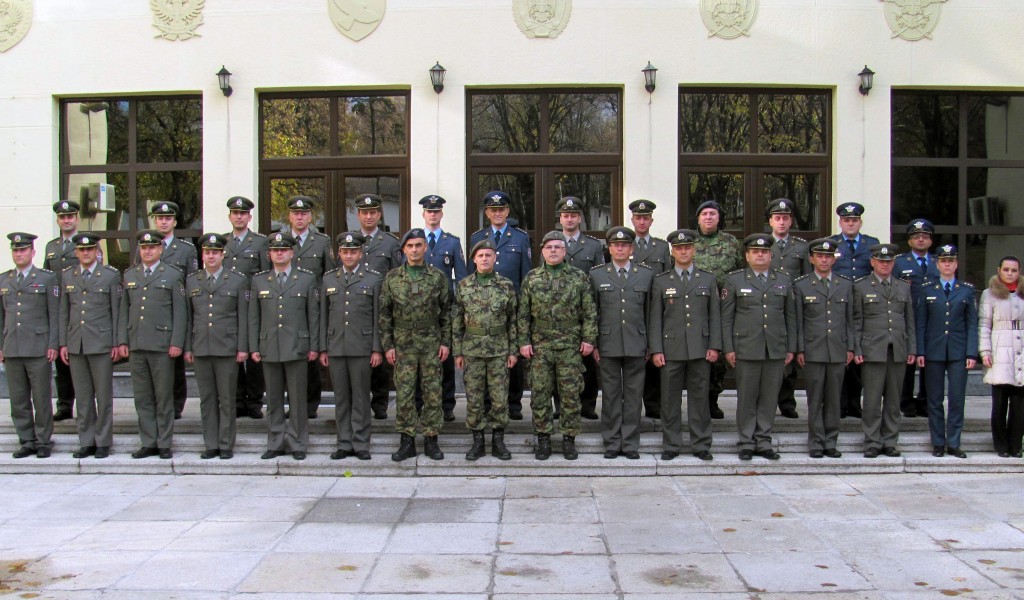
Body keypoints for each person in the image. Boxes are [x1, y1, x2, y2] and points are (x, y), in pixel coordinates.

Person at [518, 231, 598, 460]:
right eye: (549, 247)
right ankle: (543, 438)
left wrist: (589, 339)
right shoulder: (532, 278)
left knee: (571, 393)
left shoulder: (578, 277)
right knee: (540, 393)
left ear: (565, 251)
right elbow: (523, 315)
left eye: (557, 247)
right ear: (542, 251)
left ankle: (569, 438)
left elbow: (590, 312)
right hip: (540, 345)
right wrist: (523, 341)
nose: (553, 251)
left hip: (569, 344)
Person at [721, 233, 796, 461]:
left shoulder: (783, 279)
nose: (760, 255)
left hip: (775, 347)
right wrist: (728, 348)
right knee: (747, 396)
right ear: (747, 256)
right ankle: (746, 440)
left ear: (771, 255)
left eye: (764, 252)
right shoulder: (734, 280)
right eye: (755, 252)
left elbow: (791, 316)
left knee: (769, 396)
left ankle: (763, 440)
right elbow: (726, 318)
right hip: (746, 347)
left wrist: (791, 347)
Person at [648, 229, 721, 461]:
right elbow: (655, 318)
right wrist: (656, 349)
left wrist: (715, 346)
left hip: (700, 348)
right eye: (679, 248)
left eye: (687, 247)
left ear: (694, 250)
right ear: (672, 252)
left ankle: (701, 444)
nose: (683, 251)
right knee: (669, 400)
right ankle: (671, 444)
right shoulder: (661, 281)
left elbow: (715, 316)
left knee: (700, 399)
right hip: (671, 350)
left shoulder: (708, 279)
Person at [380, 229, 452, 462]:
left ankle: (431, 439)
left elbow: (446, 313)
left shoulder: (437, 277)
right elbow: (384, 315)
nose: (414, 250)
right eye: (410, 246)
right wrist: (388, 345)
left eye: (418, 245)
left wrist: (445, 342)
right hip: (403, 344)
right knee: (405, 393)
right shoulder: (392, 278)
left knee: (432, 393)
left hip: (431, 342)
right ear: (403, 250)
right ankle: (407, 440)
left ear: (425, 248)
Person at [249, 232, 320, 461]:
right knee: (274, 399)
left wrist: (314, 346)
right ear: (269, 255)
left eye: (284, 250)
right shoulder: (259, 280)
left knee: (298, 400)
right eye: (275, 250)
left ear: (292, 252)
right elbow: (254, 317)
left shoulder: (306, 279)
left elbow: (314, 315)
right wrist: (254, 346)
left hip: (297, 346)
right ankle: (276, 441)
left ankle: (298, 442)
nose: (279, 253)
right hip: (269, 346)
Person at [59, 233, 126, 459]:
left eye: (89, 249)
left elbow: (116, 311)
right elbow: (63, 312)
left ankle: (103, 441)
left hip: (102, 343)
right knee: (83, 396)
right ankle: (86, 441)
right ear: (76, 252)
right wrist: (63, 343)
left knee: (103, 396)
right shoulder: (68, 275)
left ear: (97, 251)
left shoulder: (109, 275)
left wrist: (117, 341)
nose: (85, 253)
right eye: (81, 250)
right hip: (76, 343)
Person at [122, 230, 187, 459]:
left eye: (152, 247)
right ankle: (148, 441)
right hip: (137, 343)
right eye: (144, 247)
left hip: (162, 345)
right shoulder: (130, 275)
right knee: (143, 397)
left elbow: (180, 312)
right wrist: (123, 340)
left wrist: (177, 342)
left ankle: (164, 442)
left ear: (160, 249)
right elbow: (124, 311)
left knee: (163, 396)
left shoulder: (171, 275)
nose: (148, 251)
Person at [185, 233, 249, 460]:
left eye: (215, 252)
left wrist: (243, 347)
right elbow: (189, 317)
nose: (211, 256)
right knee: (207, 399)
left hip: (227, 347)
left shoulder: (237, 280)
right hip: (201, 346)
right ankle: (210, 443)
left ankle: (225, 443)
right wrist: (187, 347)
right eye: (207, 252)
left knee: (227, 399)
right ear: (202, 255)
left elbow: (243, 315)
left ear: (223, 254)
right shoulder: (193, 280)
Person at [468, 190, 532, 420]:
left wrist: (523, 305)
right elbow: (470, 273)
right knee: (484, 357)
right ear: (487, 213)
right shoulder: (477, 237)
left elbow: (525, 274)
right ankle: (486, 402)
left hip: (510, 305)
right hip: (482, 306)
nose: (497, 213)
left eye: (501, 209)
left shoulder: (520, 237)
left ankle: (514, 403)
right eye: (492, 210)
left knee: (511, 355)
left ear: (507, 211)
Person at [452, 238, 517, 461]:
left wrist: (512, 350)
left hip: (499, 349)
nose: (485, 258)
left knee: (499, 397)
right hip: (472, 350)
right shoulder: (464, 285)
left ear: (495, 257)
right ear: (474, 259)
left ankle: (498, 441)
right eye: (480, 255)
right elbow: (457, 320)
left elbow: (513, 320)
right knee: (474, 397)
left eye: (488, 255)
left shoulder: (506, 285)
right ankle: (477, 440)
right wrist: (457, 352)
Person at [590, 226, 652, 459]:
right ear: (609, 248)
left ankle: (630, 443)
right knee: (611, 394)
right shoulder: (597, 274)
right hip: (608, 343)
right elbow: (593, 312)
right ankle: (612, 441)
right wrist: (594, 343)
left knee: (634, 396)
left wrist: (651, 344)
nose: (620, 248)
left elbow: (650, 313)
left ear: (631, 248)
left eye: (624, 244)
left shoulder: (645, 274)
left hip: (637, 342)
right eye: (616, 245)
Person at [320, 232, 383, 461]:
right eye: (345, 251)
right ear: (339, 253)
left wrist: (377, 348)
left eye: (353, 251)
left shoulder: (373, 279)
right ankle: (344, 442)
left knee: (360, 397)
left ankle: (361, 443)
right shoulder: (328, 279)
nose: (349, 255)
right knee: (341, 398)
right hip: (336, 346)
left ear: (361, 253)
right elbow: (323, 317)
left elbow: (378, 316)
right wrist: (323, 348)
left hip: (362, 347)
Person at [853, 243, 916, 458]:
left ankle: (890, 440)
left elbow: (909, 321)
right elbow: (857, 320)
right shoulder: (861, 286)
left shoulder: (903, 287)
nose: (885, 265)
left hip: (898, 348)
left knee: (893, 399)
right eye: (881, 261)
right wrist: (857, 347)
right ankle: (872, 441)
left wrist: (912, 348)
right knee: (871, 399)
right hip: (872, 349)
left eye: (889, 261)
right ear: (872, 262)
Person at [793, 238, 853, 458]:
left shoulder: (845, 284)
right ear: (811, 259)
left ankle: (831, 441)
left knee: (834, 399)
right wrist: (799, 349)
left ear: (833, 259)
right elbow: (798, 321)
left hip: (837, 349)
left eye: (828, 256)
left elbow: (850, 319)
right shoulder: (801, 285)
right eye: (820, 256)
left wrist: (851, 347)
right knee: (815, 398)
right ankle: (816, 442)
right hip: (813, 350)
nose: (824, 260)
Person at [1, 232, 59, 458]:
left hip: (38, 347)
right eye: (15, 250)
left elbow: (54, 314)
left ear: (32, 252)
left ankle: (43, 440)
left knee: (41, 397)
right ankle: (26, 440)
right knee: (18, 399)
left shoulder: (46, 278)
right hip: (13, 347)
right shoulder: (4, 280)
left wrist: (53, 344)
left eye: (23, 250)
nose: (19, 254)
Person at [916, 244, 978, 458]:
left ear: (956, 264)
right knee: (934, 399)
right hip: (933, 351)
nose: (947, 264)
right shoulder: (927, 290)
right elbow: (921, 324)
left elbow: (972, 325)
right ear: (937, 264)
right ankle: (937, 442)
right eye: (943, 261)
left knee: (956, 398)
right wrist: (920, 352)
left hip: (959, 352)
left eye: (951, 261)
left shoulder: (967, 290)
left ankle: (953, 442)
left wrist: (972, 354)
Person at [141, 201, 197, 420]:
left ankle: (176, 404)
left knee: (175, 364)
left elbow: (191, 280)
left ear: (174, 222)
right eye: (160, 218)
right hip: (155, 312)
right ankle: (158, 402)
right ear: (155, 221)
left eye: (168, 218)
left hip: (178, 309)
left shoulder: (186, 249)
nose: (163, 222)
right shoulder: (146, 246)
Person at [284, 195, 335, 419]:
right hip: (287, 308)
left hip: (313, 307)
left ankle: (311, 404)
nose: (300, 217)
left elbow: (329, 274)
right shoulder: (280, 241)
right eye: (296, 213)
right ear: (289, 216)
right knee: (287, 355)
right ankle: (292, 404)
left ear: (310, 217)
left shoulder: (322, 242)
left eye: (304, 213)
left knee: (311, 357)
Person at [417, 194, 467, 422]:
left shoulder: (452, 242)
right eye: (429, 211)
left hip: (445, 309)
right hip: (419, 310)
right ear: (424, 214)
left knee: (445, 358)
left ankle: (447, 404)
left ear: (441, 214)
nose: (433, 215)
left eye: (436, 211)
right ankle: (420, 402)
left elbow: (463, 277)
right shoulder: (415, 241)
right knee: (419, 358)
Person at [693, 199, 743, 420]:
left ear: (719, 218)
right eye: (704, 214)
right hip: (695, 308)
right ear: (698, 218)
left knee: (719, 358)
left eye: (713, 213)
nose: (708, 217)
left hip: (723, 308)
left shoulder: (731, 242)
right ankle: (698, 400)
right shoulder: (688, 242)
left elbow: (739, 271)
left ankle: (713, 399)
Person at [831, 202, 880, 419]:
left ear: (860, 222)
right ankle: (840, 403)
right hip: (838, 305)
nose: (850, 223)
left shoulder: (872, 244)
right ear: (840, 222)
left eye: (854, 220)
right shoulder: (831, 243)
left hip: (864, 305)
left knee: (860, 356)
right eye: (846, 220)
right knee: (841, 356)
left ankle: (854, 402)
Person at [355, 193, 402, 420]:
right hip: (357, 308)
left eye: (373, 212)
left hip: (383, 307)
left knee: (382, 358)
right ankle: (361, 401)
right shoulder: (350, 240)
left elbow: (395, 275)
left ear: (379, 214)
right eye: (365, 213)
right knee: (361, 357)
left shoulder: (390, 242)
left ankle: (381, 402)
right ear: (358, 215)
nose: (369, 216)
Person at [559, 196, 604, 421]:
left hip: (585, 311)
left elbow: (598, 278)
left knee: (587, 360)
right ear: (560, 218)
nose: (569, 219)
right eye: (566, 215)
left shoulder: (594, 245)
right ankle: (560, 405)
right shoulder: (553, 243)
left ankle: (588, 404)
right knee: (559, 361)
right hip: (558, 314)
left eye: (573, 215)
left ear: (580, 218)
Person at [224, 195, 269, 420]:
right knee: (233, 356)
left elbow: (264, 274)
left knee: (254, 357)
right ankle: (237, 400)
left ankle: (254, 402)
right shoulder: (222, 242)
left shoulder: (260, 242)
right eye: (235, 213)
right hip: (229, 307)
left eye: (243, 213)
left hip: (253, 305)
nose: (239, 217)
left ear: (249, 217)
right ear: (230, 216)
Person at [627, 199, 671, 421]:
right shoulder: (623, 243)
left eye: (646, 218)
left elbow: (668, 277)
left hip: (656, 307)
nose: (642, 221)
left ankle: (654, 404)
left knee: (654, 355)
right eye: (638, 218)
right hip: (632, 307)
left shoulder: (662, 247)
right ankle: (631, 405)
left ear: (651, 221)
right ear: (632, 220)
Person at [978, 256, 1024, 458]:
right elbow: (984, 325)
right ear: (999, 270)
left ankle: (1016, 444)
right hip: (999, 352)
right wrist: (985, 351)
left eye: (1014, 270)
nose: (1010, 273)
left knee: (1019, 406)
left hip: (1021, 353)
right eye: (1006, 269)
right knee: (999, 404)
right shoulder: (989, 295)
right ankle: (1001, 445)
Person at [767, 198, 809, 419]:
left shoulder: (801, 247)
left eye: (785, 218)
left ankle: (787, 402)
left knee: (789, 357)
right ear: (770, 221)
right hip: (770, 306)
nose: (781, 222)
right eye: (777, 218)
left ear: (791, 221)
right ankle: (768, 401)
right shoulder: (762, 245)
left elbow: (806, 278)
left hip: (793, 306)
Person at [895, 218, 940, 418]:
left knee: (929, 363)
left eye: (924, 237)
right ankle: (906, 403)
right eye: (916, 237)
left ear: (930, 241)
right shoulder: (899, 262)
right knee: (907, 363)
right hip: (907, 318)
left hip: (932, 320)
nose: (920, 240)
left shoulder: (939, 262)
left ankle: (924, 401)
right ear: (910, 241)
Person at [43, 200, 83, 422]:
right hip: (58, 308)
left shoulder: (85, 244)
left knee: (80, 357)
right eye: (62, 217)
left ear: (77, 219)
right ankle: (65, 405)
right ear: (58, 220)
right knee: (61, 359)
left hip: (79, 307)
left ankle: (86, 405)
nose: (66, 220)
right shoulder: (52, 247)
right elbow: (48, 278)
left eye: (70, 216)